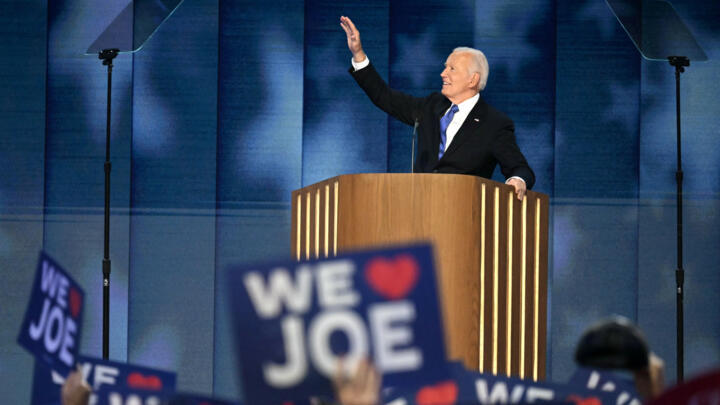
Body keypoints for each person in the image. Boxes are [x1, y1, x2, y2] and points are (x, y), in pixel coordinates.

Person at [340, 16, 535, 200]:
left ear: (472, 79)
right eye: (445, 67)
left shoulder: (494, 124)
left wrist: (517, 180)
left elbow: (520, 168)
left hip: (463, 216)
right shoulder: (431, 106)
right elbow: (384, 97)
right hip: (418, 209)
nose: (443, 74)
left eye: (452, 69)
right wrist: (358, 54)